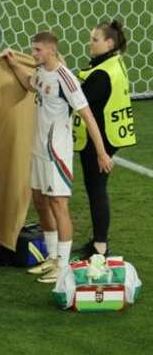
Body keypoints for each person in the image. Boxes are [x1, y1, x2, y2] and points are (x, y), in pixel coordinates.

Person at [5, 32, 112, 283]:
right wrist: (14, 64)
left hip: (57, 152)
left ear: (51, 50)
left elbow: (87, 116)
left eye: (38, 50)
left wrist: (101, 152)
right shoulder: (41, 72)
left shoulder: (66, 79)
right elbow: (29, 84)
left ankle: (63, 266)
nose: (33, 54)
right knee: (40, 201)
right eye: (33, 49)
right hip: (39, 148)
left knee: (58, 204)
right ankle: (52, 258)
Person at [73, 20, 135, 256]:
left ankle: (100, 245)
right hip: (110, 134)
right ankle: (100, 241)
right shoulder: (113, 63)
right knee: (97, 188)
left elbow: (77, 99)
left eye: (95, 39)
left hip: (100, 138)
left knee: (96, 189)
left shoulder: (101, 74)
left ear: (109, 43)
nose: (90, 43)